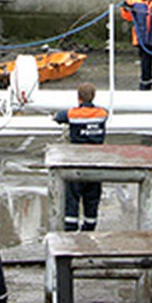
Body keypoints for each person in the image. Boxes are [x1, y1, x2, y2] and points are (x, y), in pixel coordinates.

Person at [52, 83, 108, 231]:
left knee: (72, 199)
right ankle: (89, 231)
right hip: (96, 165)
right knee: (92, 200)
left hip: (76, 164)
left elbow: (59, 117)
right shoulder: (102, 114)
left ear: (78, 97)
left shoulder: (72, 114)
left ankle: (70, 231)